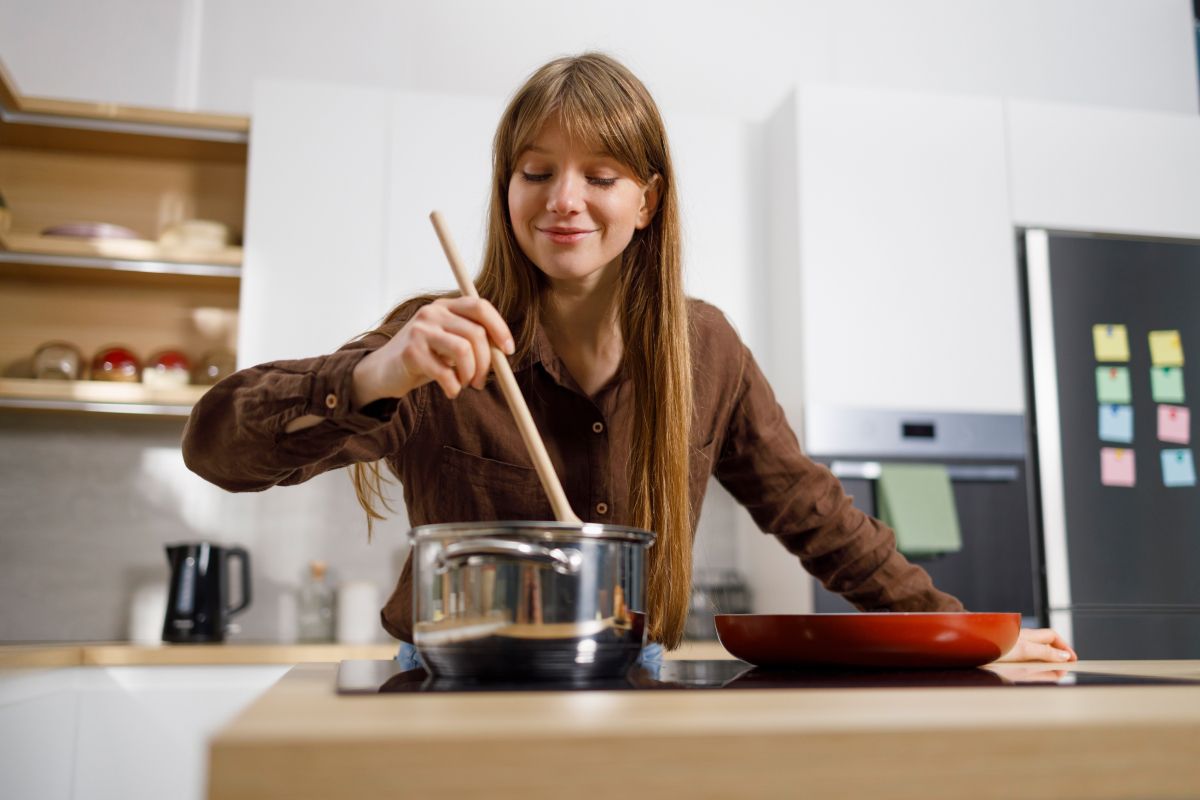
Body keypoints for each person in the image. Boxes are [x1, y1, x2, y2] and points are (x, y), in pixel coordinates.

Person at [182, 52, 1075, 668]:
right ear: (506, 188)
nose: (563, 200)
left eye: (601, 176)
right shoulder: (435, 336)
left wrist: (965, 636)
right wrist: (376, 375)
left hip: (632, 678)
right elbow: (215, 448)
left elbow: (816, 514)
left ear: (646, 202)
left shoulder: (707, 349)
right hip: (448, 688)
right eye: (535, 172)